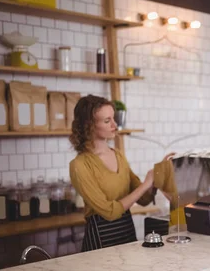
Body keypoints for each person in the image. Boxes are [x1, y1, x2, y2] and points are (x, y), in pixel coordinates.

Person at [69, 95, 174, 252]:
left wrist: (158, 174)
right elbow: (110, 212)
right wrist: (146, 183)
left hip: (127, 233)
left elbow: (144, 199)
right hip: (101, 239)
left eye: (114, 118)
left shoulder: (117, 154)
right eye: (107, 121)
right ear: (89, 126)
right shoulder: (80, 165)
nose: (115, 124)